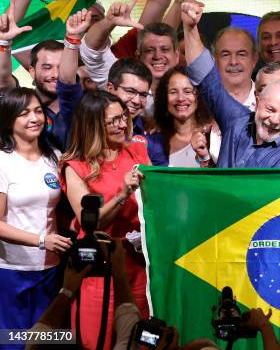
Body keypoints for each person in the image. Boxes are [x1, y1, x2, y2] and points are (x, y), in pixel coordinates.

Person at [59, 91, 149, 349]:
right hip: (98, 267)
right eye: (113, 121)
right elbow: (90, 222)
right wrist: (123, 194)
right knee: (96, 340)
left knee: (137, 340)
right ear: (93, 125)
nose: (122, 124)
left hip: (136, 264)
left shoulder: (137, 152)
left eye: (123, 117)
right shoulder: (75, 165)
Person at [182, 2, 280, 168]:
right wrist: (190, 28)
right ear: (258, 100)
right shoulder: (236, 120)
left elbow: (265, 192)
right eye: (270, 109)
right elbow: (206, 78)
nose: (274, 120)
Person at [0, 88, 72, 342]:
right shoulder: (3, 162)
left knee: (46, 342)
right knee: (13, 341)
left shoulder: (54, 157)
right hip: (11, 271)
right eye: (24, 113)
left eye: (38, 111)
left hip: (50, 269)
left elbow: (56, 210)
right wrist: (41, 240)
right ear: (9, 121)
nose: (34, 118)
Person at [147, 66, 212, 167]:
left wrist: (204, 158)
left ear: (198, 97)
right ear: (164, 98)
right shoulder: (154, 142)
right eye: (173, 92)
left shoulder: (213, 136)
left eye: (187, 91)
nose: (181, 98)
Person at [212, 27, 258, 111]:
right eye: (225, 55)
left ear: (254, 60)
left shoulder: (268, 100)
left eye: (241, 54)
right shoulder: (204, 103)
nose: (233, 62)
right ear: (215, 60)